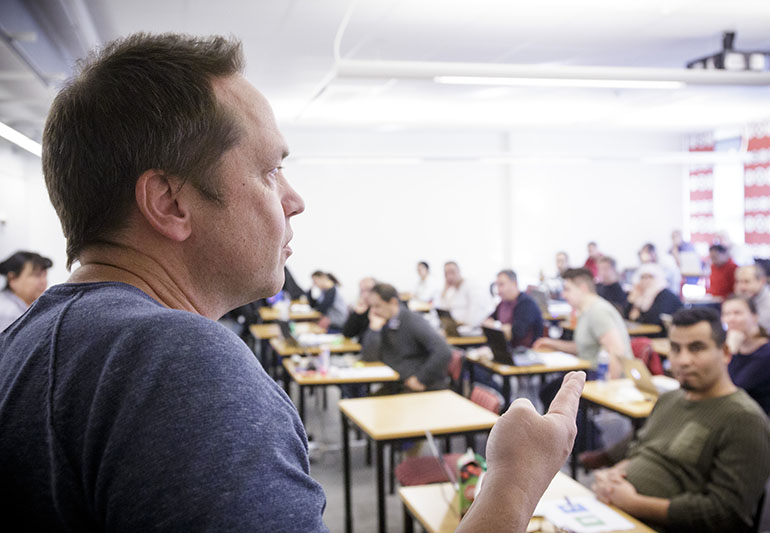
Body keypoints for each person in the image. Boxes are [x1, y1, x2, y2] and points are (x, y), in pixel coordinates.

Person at [0, 33, 586, 531]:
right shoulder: (181, 364)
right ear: (170, 201)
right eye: (270, 170)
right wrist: (514, 484)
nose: (294, 200)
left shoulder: (22, 345)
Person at [592, 307, 770, 531]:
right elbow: (639, 450)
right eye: (675, 349)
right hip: (616, 515)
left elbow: (725, 513)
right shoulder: (669, 399)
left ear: (725, 352)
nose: (683, 360)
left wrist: (634, 503)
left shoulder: (745, 421)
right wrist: (613, 475)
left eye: (696, 348)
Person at [535, 268, 633, 381]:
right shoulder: (585, 311)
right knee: (551, 388)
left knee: (554, 389)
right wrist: (551, 343)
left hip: (602, 378)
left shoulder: (598, 311)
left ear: (583, 288)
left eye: (567, 289)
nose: (563, 295)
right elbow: (583, 347)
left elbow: (616, 352)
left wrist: (607, 387)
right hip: (590, 373)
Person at [362, 282, 451, 391]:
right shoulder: (383, 322)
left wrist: (421, 378)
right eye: (371, 306)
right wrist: (374, 330)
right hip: (396, 383)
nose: (373, 311)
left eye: (377, 306)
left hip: (420, 385)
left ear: (393, 302)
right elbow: (369, 358)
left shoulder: (412, 321)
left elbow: (443, 350)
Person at [721, 296, 770, 415]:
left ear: (755, 317)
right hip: (728, 409)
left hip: (751, 415)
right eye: (726, 314)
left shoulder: (768, 353)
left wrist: (730, 352)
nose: (731, 319)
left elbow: (732, 390)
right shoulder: (729, 342)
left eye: (737, 313)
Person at [734, 264, 770, 358]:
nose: (742, 287)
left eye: (746, 282)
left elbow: (745, 336)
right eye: (738, 282)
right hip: (751, 353)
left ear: (762, 281)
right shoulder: (748, 301)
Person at [484, 269, 543, 348]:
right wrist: (501, 327)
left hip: (525, 350)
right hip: (506, 349)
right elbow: (487, 322)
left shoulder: (526, 303)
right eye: (497, 285)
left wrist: (496, 326)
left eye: (501, 285)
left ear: (514, 284)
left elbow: (516, 333)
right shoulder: (503, 303)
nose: (498, 290)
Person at [0, 251, 53, 331]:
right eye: (37, 275)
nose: (44, 282)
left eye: (44, 276)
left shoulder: (29, 306)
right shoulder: (7, 313)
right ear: (12, 279)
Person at [624, 263, 682, 335]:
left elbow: (653, 321)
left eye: (650, 277)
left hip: (665, 335)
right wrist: (632, 300)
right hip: (648, 334)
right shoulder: (642, 296)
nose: (645, 280)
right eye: (642, 277)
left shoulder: (665, 295)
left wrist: (637, 317)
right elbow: (626, 317)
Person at [439, 261, 491, 328]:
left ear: (459, 271)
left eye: (452, 272)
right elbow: (443, 312)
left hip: (470, 329)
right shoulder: (451, 290)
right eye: (446, 274)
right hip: (454, 327)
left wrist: (464, 328)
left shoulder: (472, 286)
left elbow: (475, 315)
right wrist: (445, 291)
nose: (449, 277)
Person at [341, 276, 376, 341]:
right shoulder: (363, 308)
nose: (365, 295)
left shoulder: (380, 311)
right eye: (362, 291)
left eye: (369, 290)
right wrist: (356, 314)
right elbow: (347, 334)